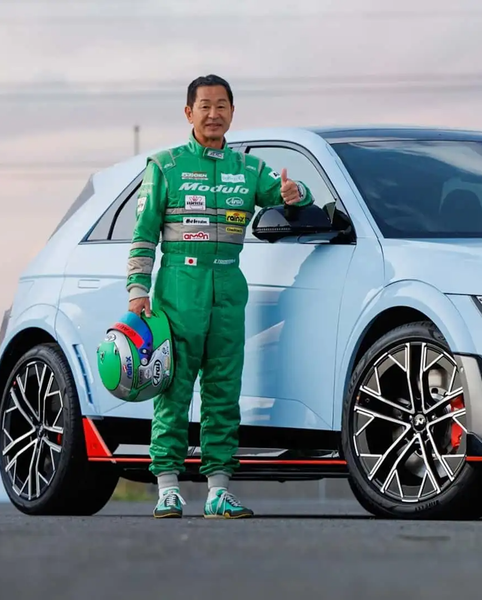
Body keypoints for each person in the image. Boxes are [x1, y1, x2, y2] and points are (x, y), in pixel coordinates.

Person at [126, 74, 313, 519]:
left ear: (232, 112)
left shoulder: (248, 168)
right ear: (188, 113)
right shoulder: (165, 165)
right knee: (173, 388)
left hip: (229, 284)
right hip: (178, 285)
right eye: (205, 106)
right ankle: (167, 489)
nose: (214, 114)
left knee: (224, 390)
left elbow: (291, 194)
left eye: (222, 106)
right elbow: (143, 233)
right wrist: (137, 290)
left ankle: (219, 491)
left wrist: (295, 192)